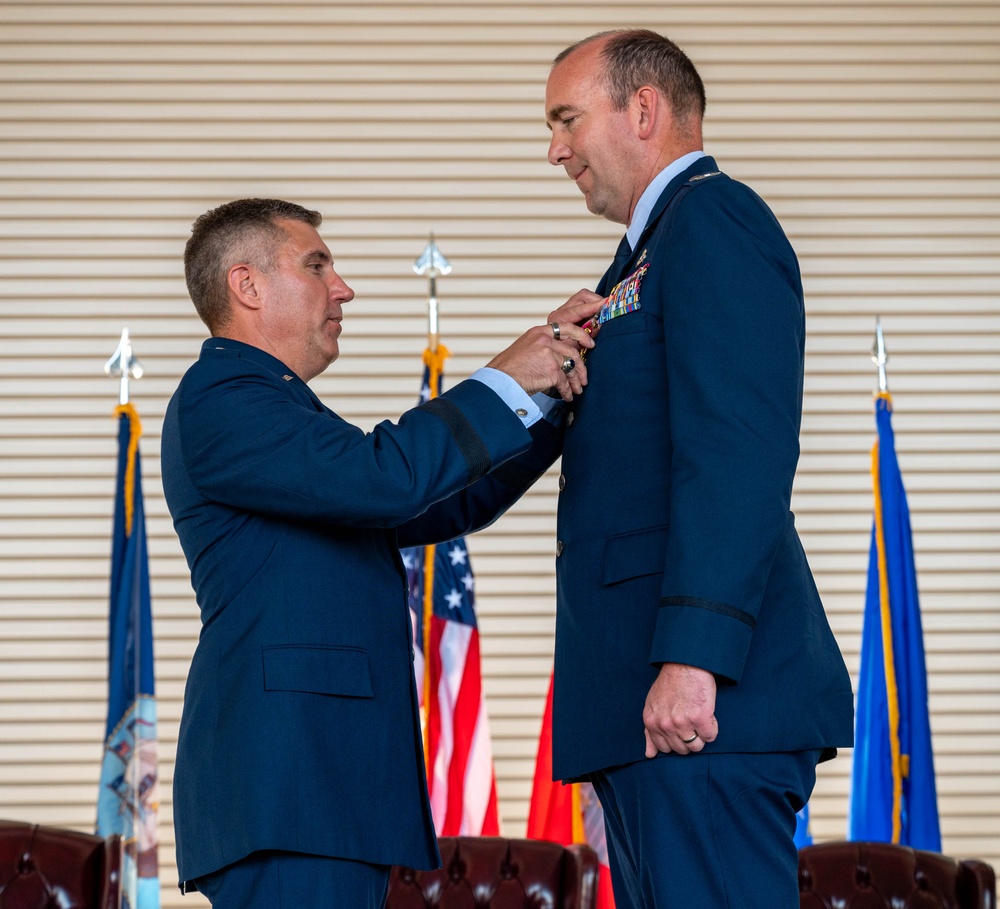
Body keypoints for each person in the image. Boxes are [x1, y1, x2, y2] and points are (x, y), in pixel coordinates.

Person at [160, 197, 602, 908]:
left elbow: (442, 501)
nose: (344, 287)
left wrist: (554, 403)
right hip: (291, 788)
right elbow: (388, 478)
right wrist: (506, 374)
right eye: (317, 265)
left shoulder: (279, 408)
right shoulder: (225, 396)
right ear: (247, 286)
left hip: (321, 790)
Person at [542, 29, 855, 909]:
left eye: (567, 119)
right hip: (652, 711)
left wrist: (693, 657)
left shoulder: (714, 218)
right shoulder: (645, 255)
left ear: (642, 110)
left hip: (700, 706)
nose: (554, 149)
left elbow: (736, 453)